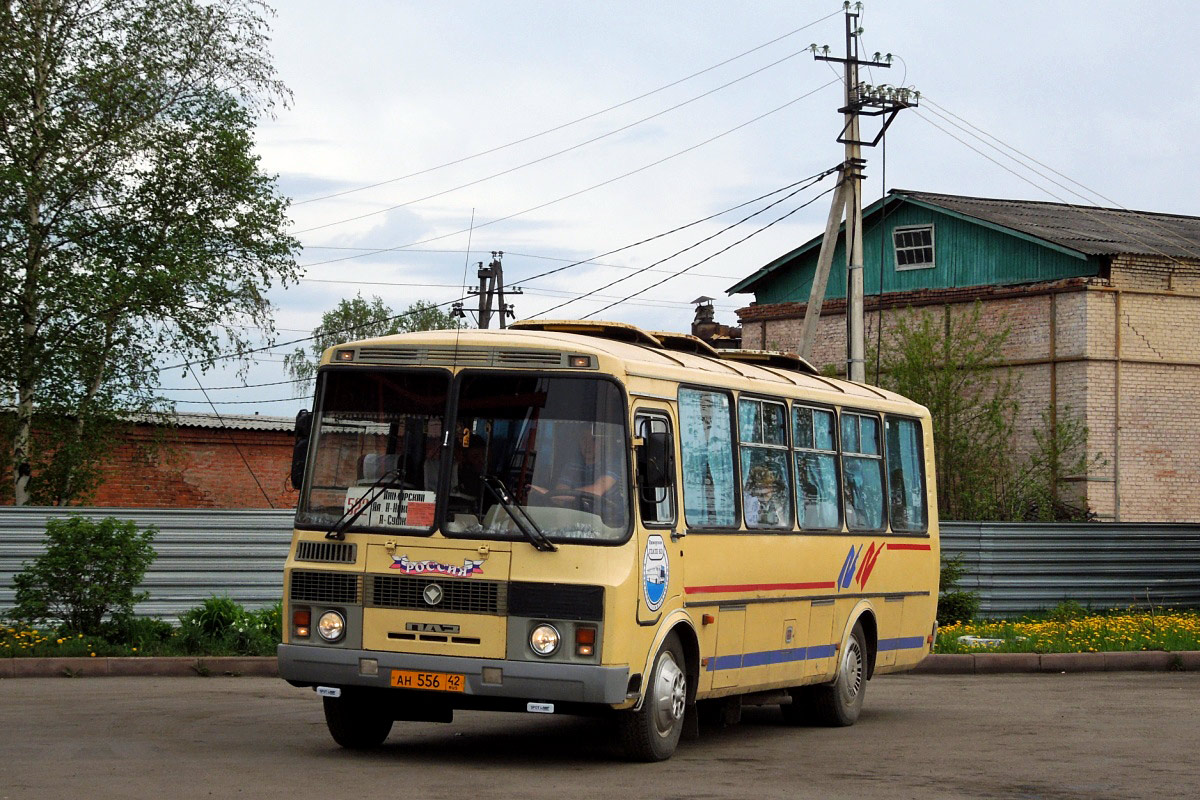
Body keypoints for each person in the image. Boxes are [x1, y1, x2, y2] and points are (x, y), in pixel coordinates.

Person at [528, 424, 619, 513]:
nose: (588, 444)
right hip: (579, 519)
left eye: (593, 440)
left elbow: (597, 490)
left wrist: (547, 493)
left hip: (610, 523)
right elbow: (560, 497)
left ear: (602, 442)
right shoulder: (572, 466)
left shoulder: (612, 464)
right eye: (584, 439)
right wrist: (552, 495)